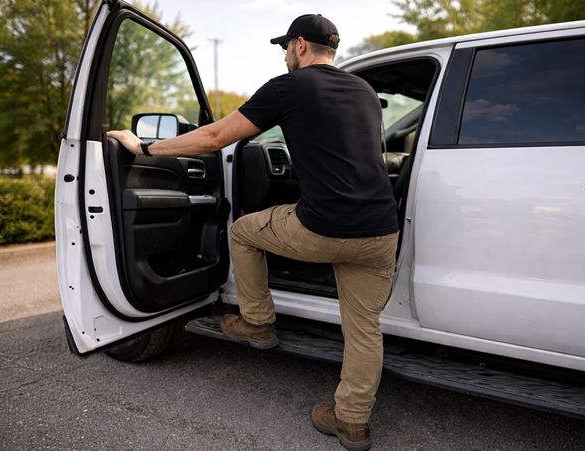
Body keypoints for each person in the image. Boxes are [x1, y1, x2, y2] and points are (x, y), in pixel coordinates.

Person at [108, 14, 398, 451]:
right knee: (364, 329)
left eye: (285, 47)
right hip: (380, 231)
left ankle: (258, 324)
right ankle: (351, 422)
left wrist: (145, 147)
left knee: (244, 230)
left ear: (300, 45)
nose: (285, 55)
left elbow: (214, 138)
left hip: (322, 227)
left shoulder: (289, 86)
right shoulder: (364, 91)